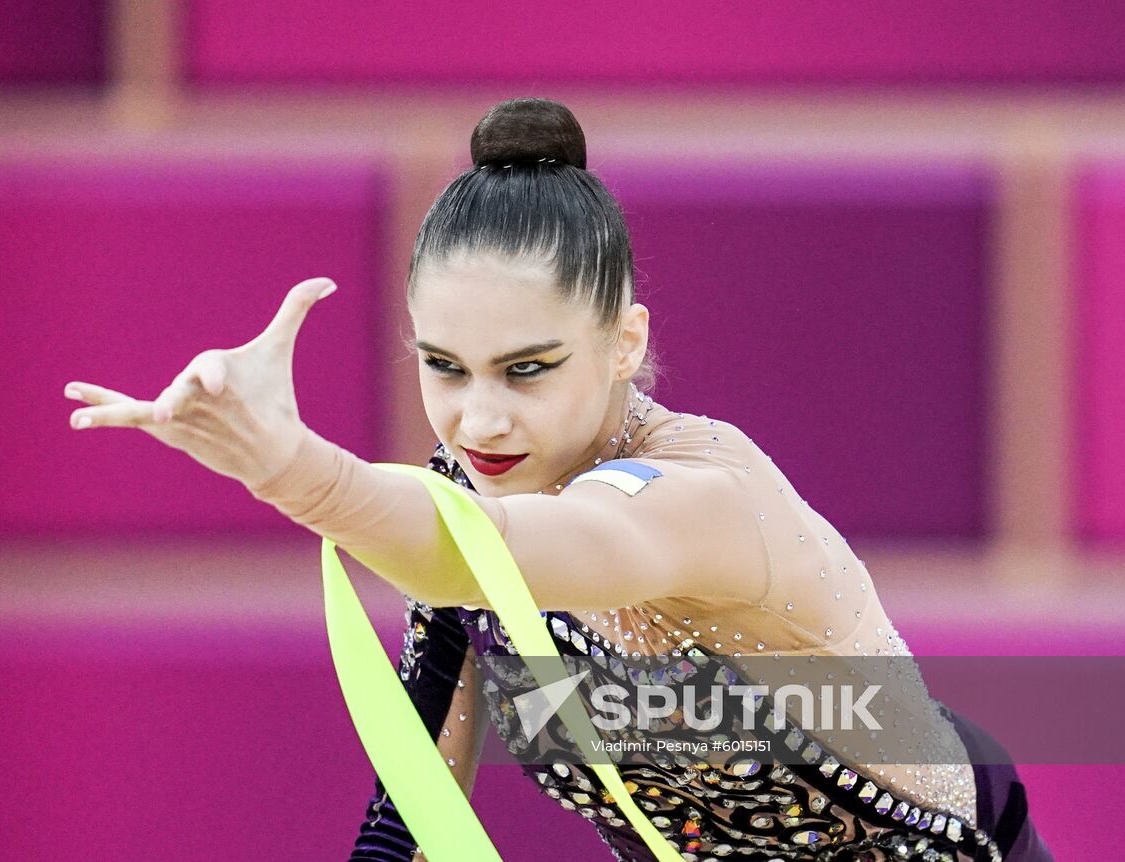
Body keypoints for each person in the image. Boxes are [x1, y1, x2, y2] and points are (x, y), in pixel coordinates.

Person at [62, 98, 1052, 862]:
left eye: (526, 369)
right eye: (443, 365)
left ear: (625, 341)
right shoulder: (460, 499)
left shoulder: (700, 495)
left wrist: (290, 466)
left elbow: (521, 551)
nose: (479, 419)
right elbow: (413, 810)